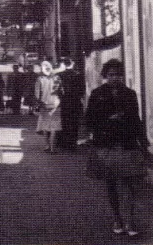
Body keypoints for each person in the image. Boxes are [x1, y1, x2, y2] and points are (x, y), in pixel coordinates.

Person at [84, 59, 149, 237]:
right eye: (111, 75)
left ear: (122, 76)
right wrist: (108, 120)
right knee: (111, 184)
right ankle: (117, 218)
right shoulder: (97, 94)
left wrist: (144, 143)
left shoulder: (130, 94)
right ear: (105, 76)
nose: (114, 78)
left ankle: (130, 220)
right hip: (106, 145)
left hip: (126, 144)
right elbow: (89, 120)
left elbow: (136, 120)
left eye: (117, 75)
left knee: (130, 184)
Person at [34, 60, 63, 153]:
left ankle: (47, 146)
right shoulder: (57, 78)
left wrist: (39, 103)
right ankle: (53, 148)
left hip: (44, 105)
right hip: (55, 105)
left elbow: (37, 94)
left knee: (45, 126)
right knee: (54, 127)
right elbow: (61, 92)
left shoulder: (40, 79)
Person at [58, 57, 85, 151]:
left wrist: (60, 98)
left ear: (64, 64)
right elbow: (82, 90)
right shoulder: (78, 75)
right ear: (72, 64)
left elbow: (57, 90)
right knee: (74, 123)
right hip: (75, 102)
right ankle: (73, 144)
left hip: (64, 103)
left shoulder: (59, 75)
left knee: (65, 122)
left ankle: (65, 143)